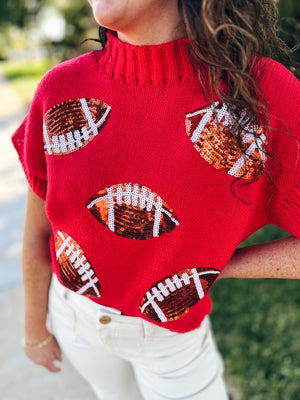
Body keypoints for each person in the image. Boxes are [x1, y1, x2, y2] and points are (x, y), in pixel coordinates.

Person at [12, 0, 300, 399]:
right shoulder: (61, 89)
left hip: (171, 346)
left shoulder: (263, 94)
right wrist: (34, 332)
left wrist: (216, 268)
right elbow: (38, 232)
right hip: (74, 318)